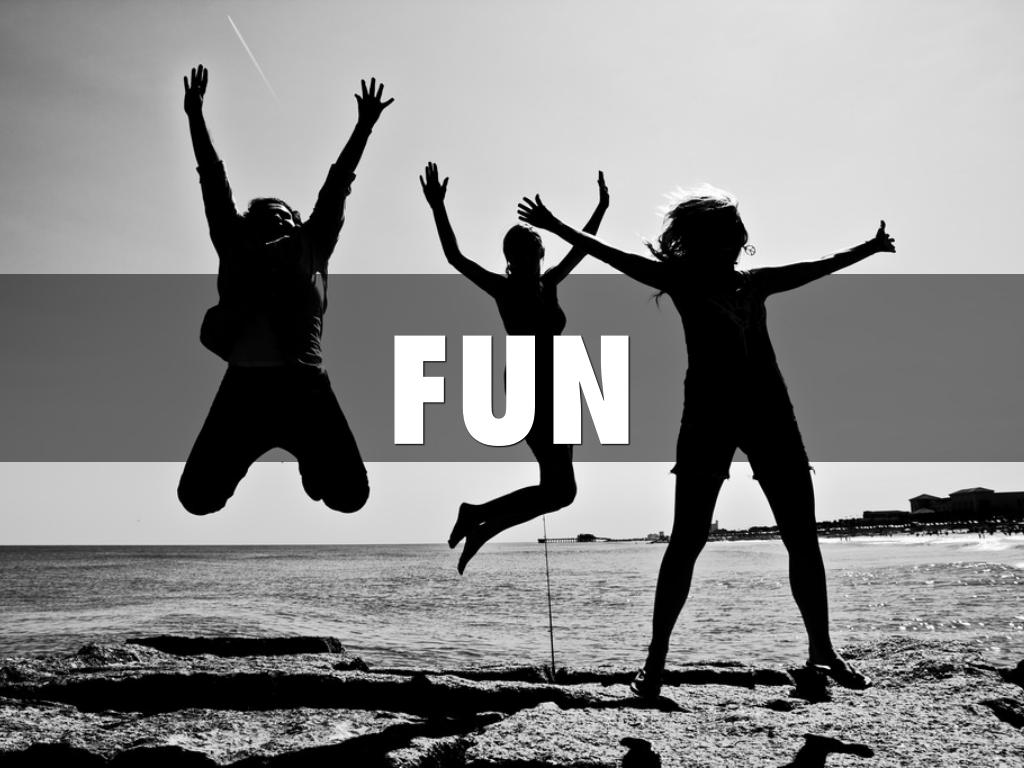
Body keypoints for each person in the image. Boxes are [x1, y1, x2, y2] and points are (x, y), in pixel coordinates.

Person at [518, 186, 895, 696]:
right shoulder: (680, 279)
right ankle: (654, 665)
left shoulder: (755, 282)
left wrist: (867, 249)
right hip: (708, 417)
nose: (737, 238)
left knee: (802, 538)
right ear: (703, 239)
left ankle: (822, 651)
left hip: (771, 415)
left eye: (737, 231)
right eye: (727, 231)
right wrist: (555, 225)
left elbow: (816, 267)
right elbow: (610, 254)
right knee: (687, 541)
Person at [177, 64, 392, 516]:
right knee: (196, 499)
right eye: (268, 213)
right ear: (250, 223)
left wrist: (364, 126)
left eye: (286, 214)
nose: (279, 217)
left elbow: (338, 185)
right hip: (245, 388)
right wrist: (195, 115)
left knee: (350, 497)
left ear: (298, 222)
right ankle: (263, 449)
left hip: (305, 387)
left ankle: (309, 464)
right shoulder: (235, 244)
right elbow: (212, 180)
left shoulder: (313, 245)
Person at [420, 162, 609, 573]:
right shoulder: (503, 289)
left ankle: (481, 523)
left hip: (559, 384)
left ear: (540, 256)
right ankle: (478, 519)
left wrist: (601, 208)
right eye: (523, 257)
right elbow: (455, 257)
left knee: (560, 491)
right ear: (512, 259)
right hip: (529, 384)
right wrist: (438, 208)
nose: (532, 263)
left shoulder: (550, 282)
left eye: (535, 256)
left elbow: (583, 247)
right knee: (560, 490)